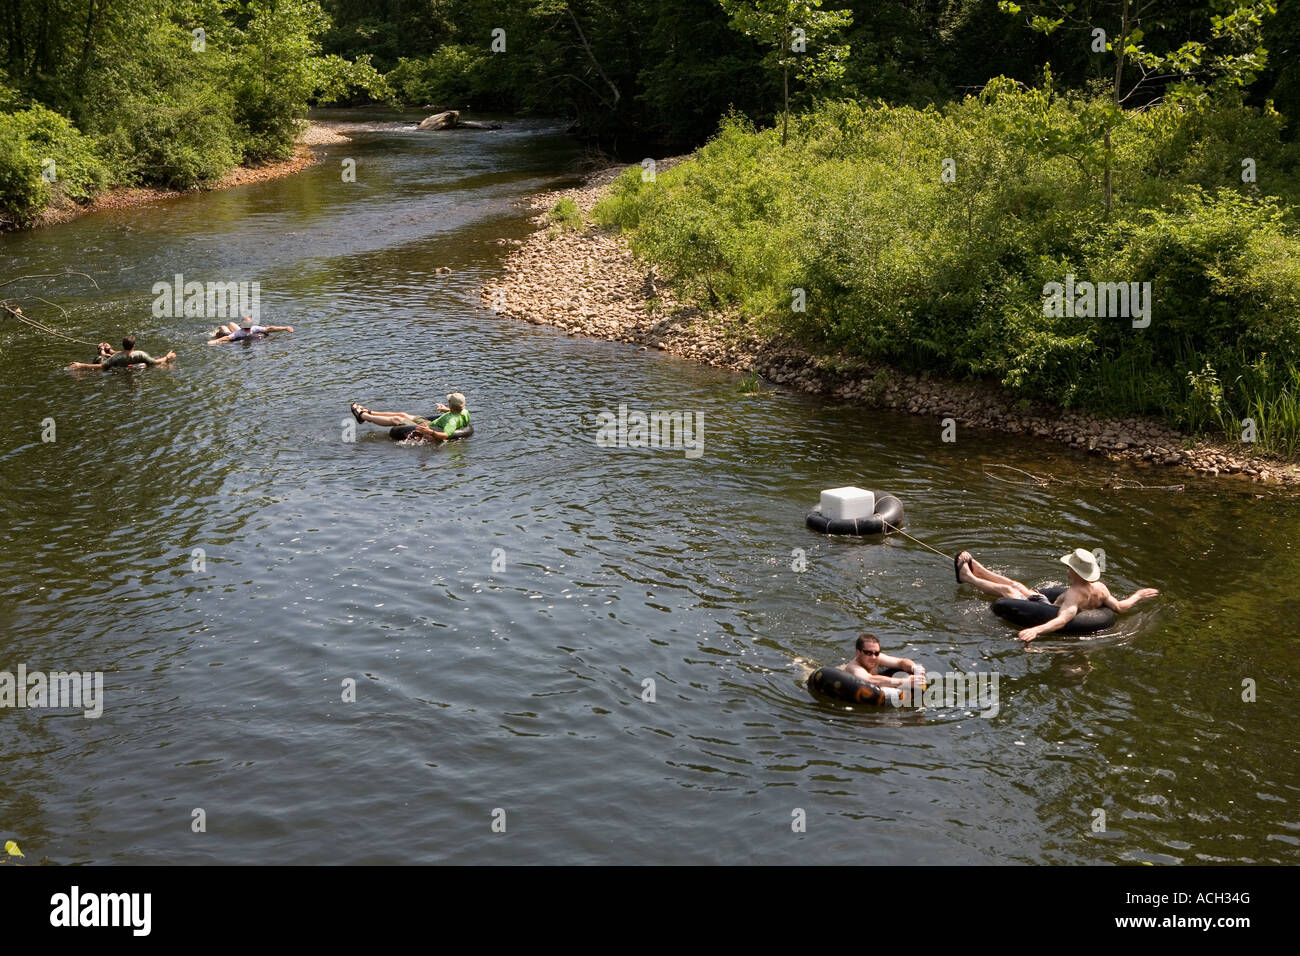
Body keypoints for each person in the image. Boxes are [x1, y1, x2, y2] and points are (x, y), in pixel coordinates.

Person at [955, 547, 1158, 642]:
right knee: (1017, 585)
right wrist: (1138, 595)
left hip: (1049, 610)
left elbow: (1062, 620)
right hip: (1048, 603)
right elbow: (1121, 607)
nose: (1067, 570)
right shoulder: (1101, 588)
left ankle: (968, 577)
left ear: (1075, 573)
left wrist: (1036, 631)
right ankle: (980, 571)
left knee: (1009, 591)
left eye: (1070, 567)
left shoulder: (1074, 595)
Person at [350, 392, 470, 441]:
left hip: (430, 427)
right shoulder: (464, 411)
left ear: (452, 406)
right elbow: (457, 412)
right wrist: (446, 409)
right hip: (431, 422)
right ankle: (370, 412)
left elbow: (446, 435)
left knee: (397, 419)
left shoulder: (452, 421)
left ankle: (363, 416)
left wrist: (431, 432)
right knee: (403, 415)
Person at [841, 633, 926, 691]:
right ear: (858, 652)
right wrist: (904, 682)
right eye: (868, 653)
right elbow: (869, 679)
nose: (873, 657)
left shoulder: (877, 658)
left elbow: (901, 662)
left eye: (877, 653)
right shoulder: (853, 667)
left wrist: (914, 667)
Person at [68, 335, 175, 370]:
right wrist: (167, 356)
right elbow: (156, 362)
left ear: (123, 345)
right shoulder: (140, 354)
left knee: (100, 359)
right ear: (134, 346)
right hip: (134, 367)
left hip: (117, 365)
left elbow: (101, 367)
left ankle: (103, 352)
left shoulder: (116, 358)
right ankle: (107, 351)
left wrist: (81, 365)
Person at [207, 317, 293, 344]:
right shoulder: (239, 333)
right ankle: (218, 331)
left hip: (239, 331)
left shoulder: (254, 328)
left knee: (230, 324)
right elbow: (227, 337)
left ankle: (234, 325)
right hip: (233, 334)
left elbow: (269, 328)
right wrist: (215, 341)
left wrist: (285, 328)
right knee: (223, 327)